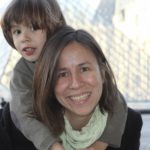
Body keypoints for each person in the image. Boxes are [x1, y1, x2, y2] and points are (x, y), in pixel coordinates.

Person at [1, 0, 128, 149]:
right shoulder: (22, 74)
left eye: (34, 27)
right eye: (17, 31)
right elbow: (24, 115)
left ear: (54, 27)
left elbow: (115, 99)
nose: (24, 38)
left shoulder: (72, 49)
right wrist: (52, 145)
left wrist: (100, 145)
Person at [33, 26, 143, 150]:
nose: (76, 84)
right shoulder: (30, 128)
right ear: (49, 83)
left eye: (84, 69)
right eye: (62, 74)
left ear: (102, 73)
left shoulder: (130, 124)